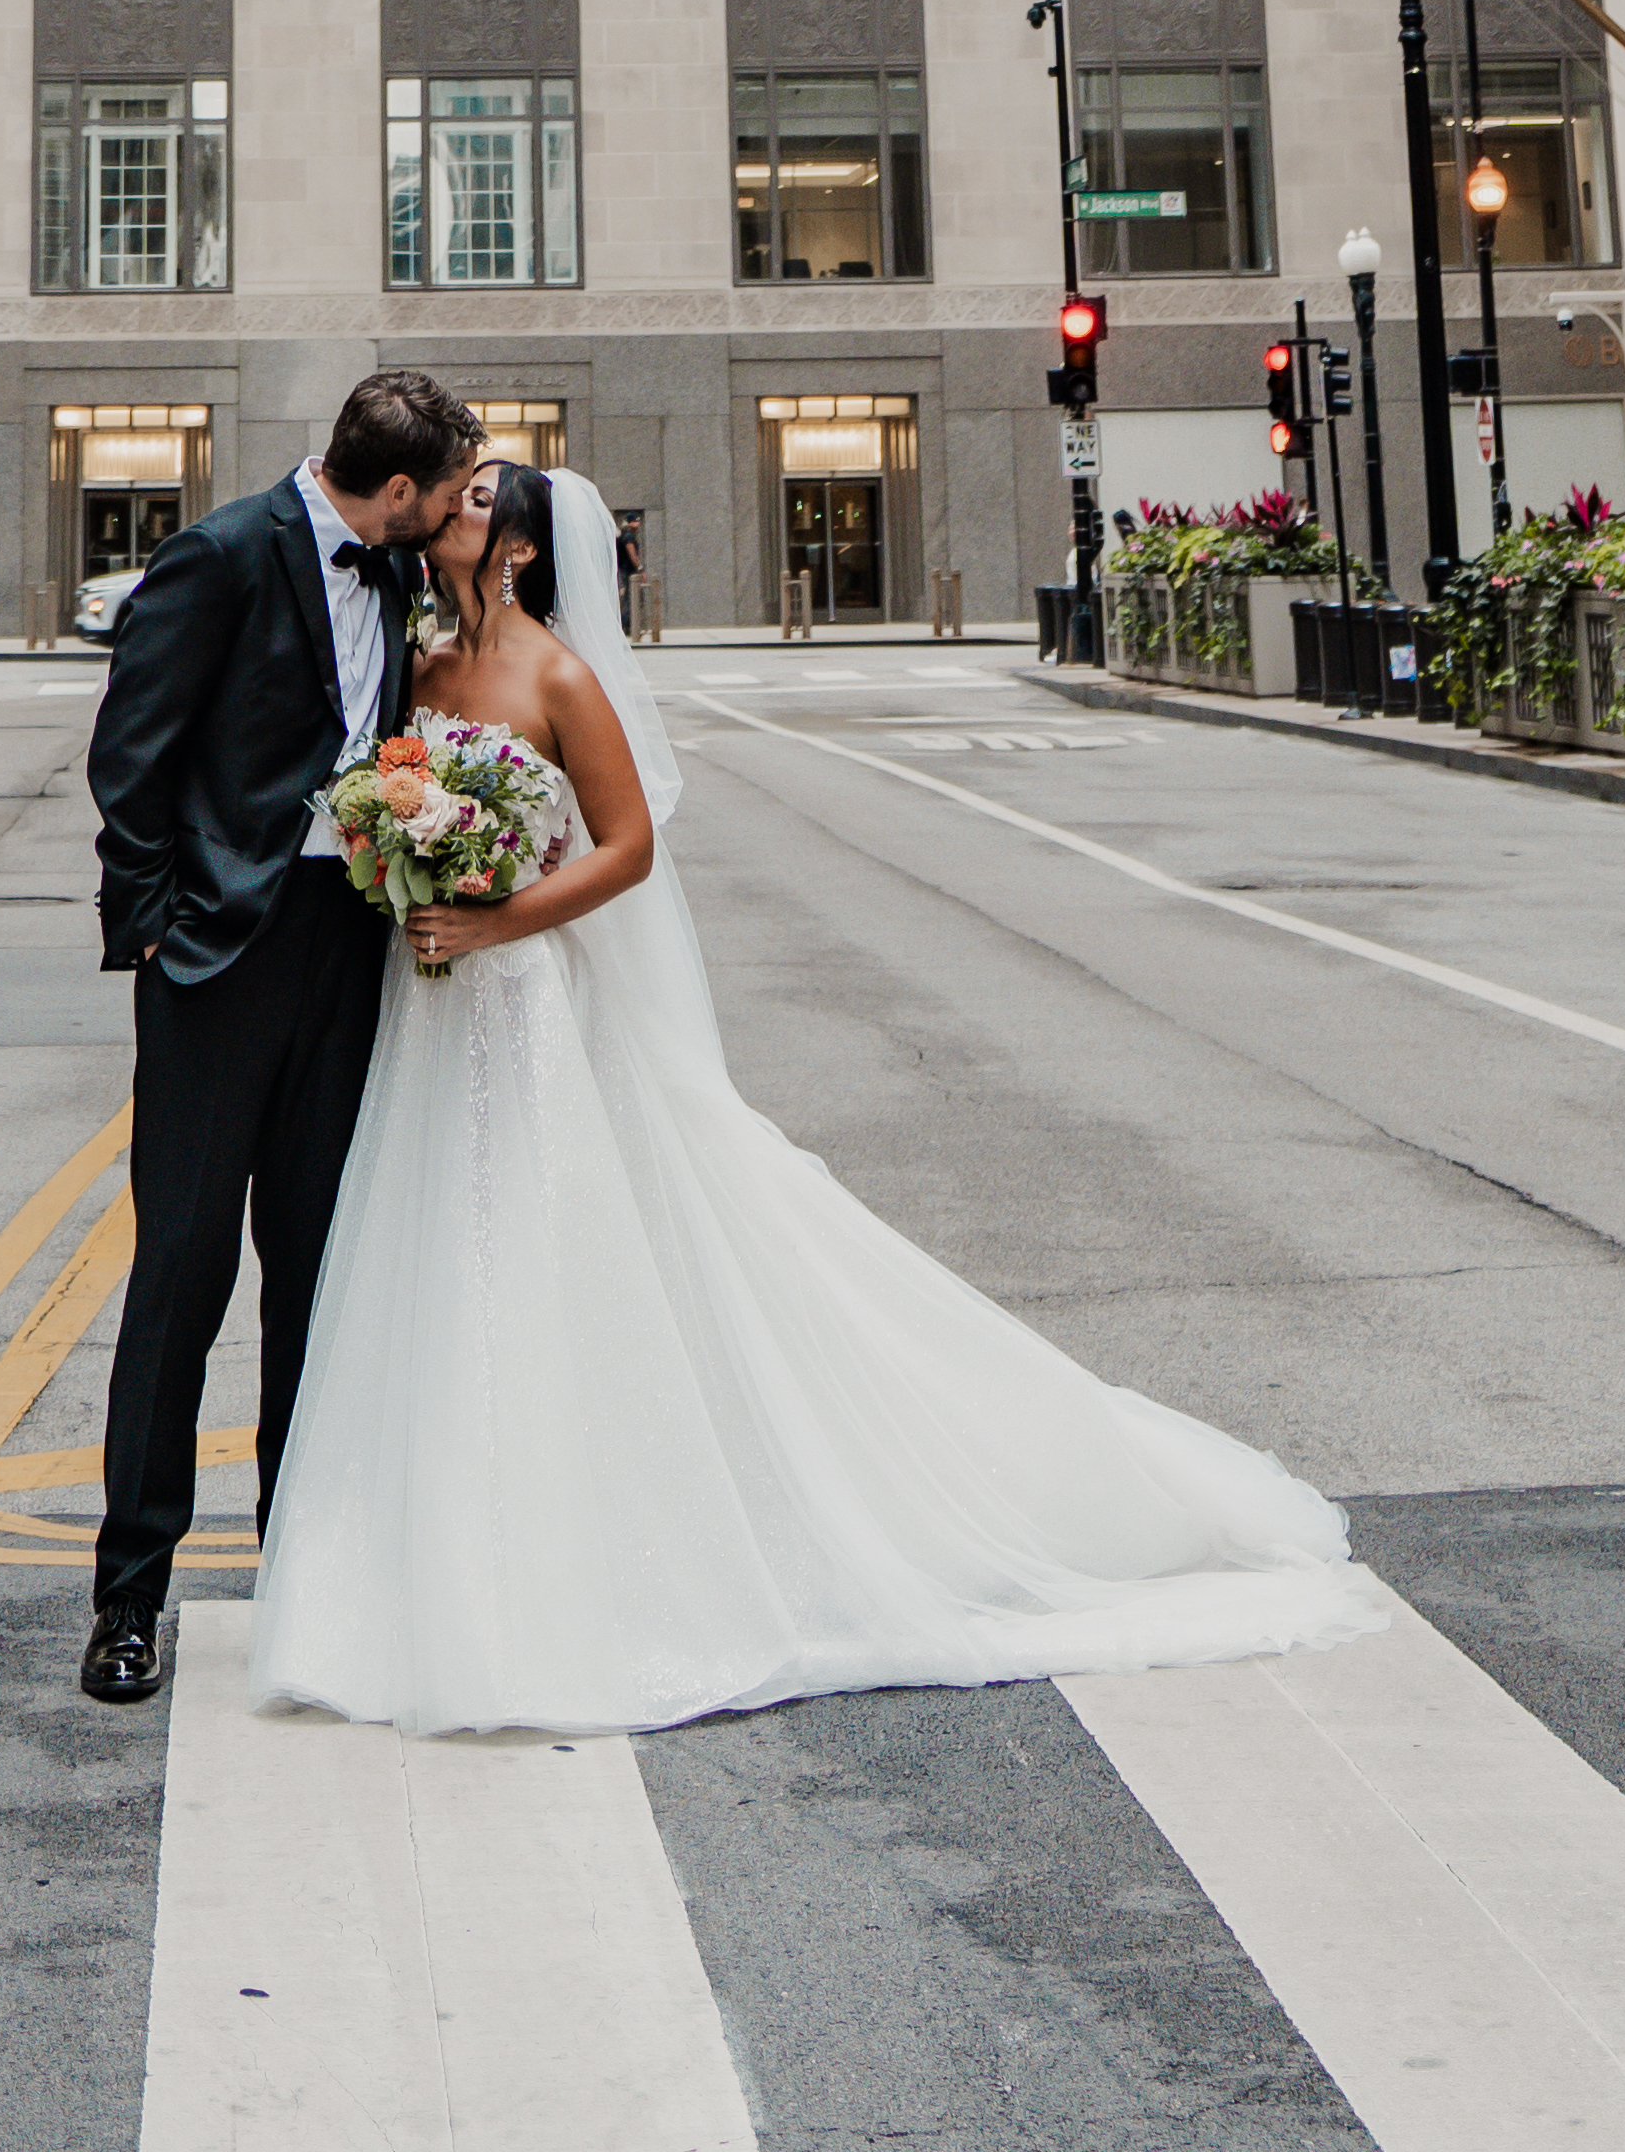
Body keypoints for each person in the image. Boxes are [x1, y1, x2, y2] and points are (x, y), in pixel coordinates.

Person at [245, 458, 1376, 1736]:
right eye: (452, 489)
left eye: (476, 496)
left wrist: (496, 917)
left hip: (525, 1001)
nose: (451, 502)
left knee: (545, 1256)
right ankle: (420, 1575)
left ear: (510, 547)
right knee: (434, 1265)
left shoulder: (558, 675)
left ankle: (570, 1574)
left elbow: (626, 850)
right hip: (433, 1014)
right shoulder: (423, 662)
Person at [77, 364, 480, 1703]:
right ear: (403, 488)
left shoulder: (403, 573)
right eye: (447, 494)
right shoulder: (220, 556)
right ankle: (130, 1601)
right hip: (213, 959)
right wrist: (148, 926)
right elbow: (131, 751)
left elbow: (385, 735)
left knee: (317, 1280)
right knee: (181, 1283)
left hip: (346, 943)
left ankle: (301, 1579)